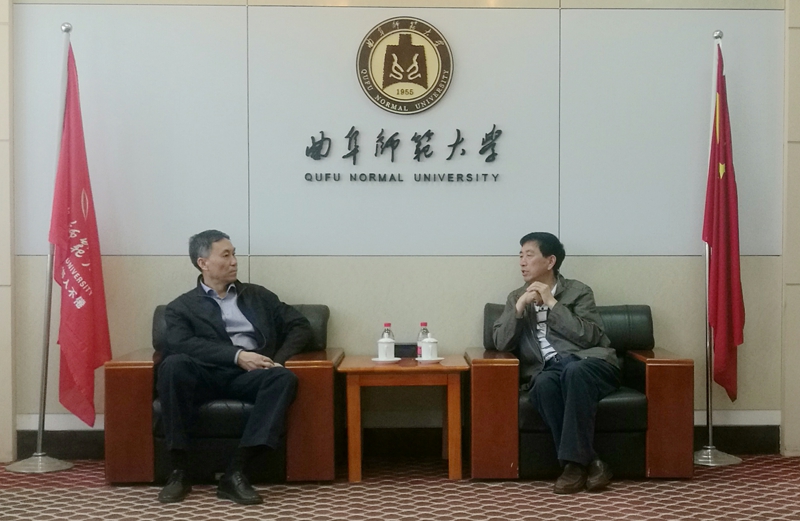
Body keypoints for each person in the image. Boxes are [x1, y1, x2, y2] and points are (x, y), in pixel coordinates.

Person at [156, 230, 314, 504]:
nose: (234, 261)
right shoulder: (181, 307)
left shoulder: (258, 296)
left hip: (249, 375)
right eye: (225, 255)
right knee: (172, 366)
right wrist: (237, 355)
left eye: (234, 254)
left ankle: (236, 471)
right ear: (203, 263)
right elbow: (181, 343)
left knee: (283, 378)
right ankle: (179, 471)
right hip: (204, 375)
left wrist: (278, 360)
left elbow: (300, 325)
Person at [492, 232, 621, 494]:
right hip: (549, 369)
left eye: (529, 255)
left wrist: (552, 304)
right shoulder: (516, 296)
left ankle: (573, 467)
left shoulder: (578, 291)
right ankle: (590, 462)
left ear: (550, 261)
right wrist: (519, 307)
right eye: (520, 255)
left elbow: (590, 336)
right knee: (542, 384)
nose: (522, 262)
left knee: (574, 370)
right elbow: (501, 343)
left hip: (589, 362)